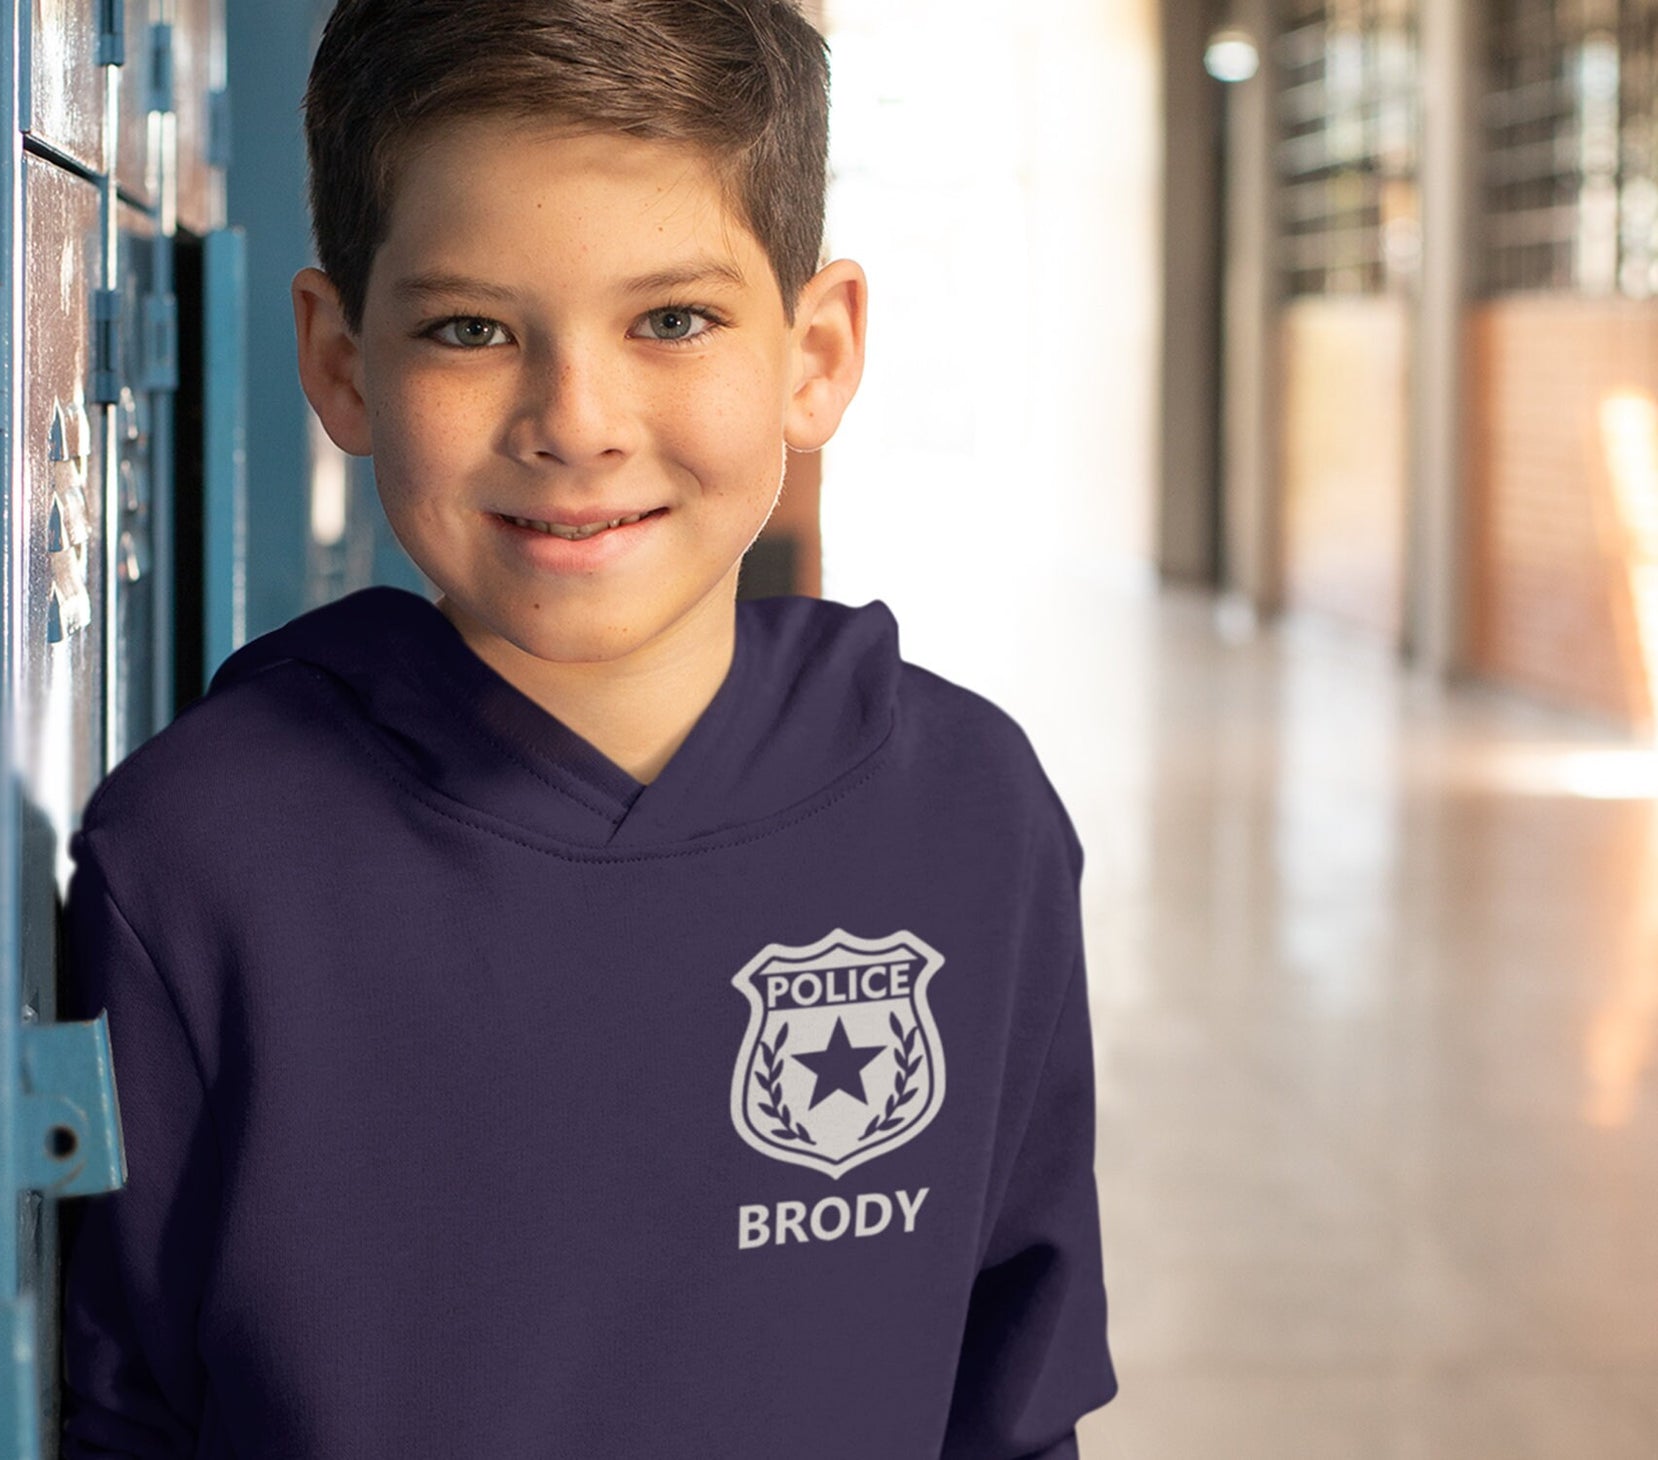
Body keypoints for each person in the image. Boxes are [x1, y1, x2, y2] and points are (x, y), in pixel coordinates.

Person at [56, 0, 1119, 1454]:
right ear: (342, 361)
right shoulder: (195, 860)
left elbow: (1012, 1389)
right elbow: (119, 1410)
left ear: (814, 352)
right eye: (471, 328)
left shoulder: (965, 812)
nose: (577, 420)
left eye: (670, 319)